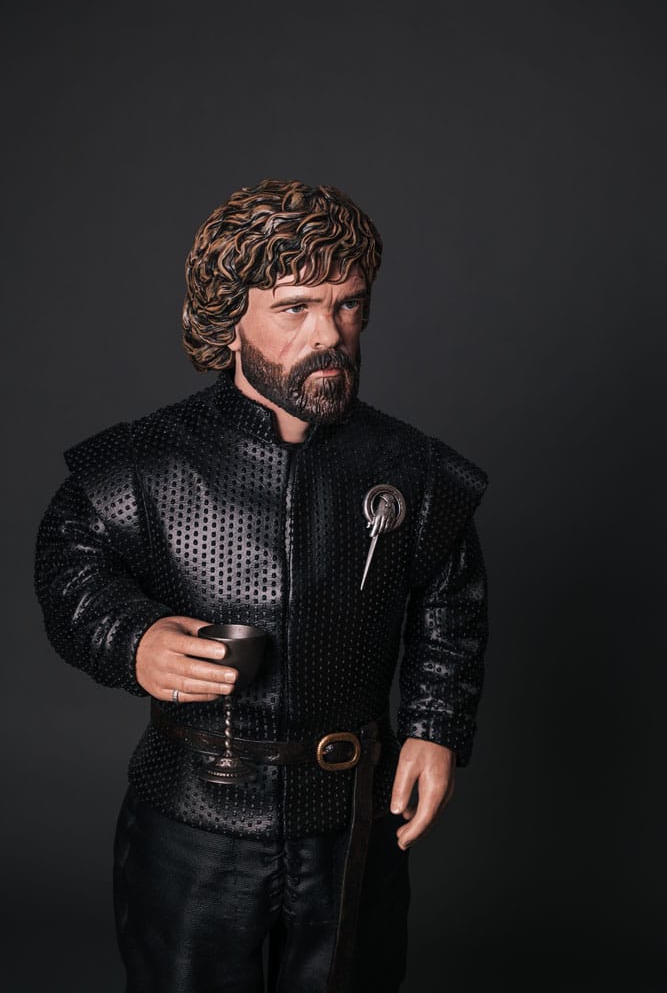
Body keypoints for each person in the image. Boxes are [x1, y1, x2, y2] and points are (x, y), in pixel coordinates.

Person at [33, 179, 489, 993]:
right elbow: (70, 562)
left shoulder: (413, 469)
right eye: (294, 308)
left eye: (348, 306)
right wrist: (132, 637)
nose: (329, 334)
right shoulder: (145, 460)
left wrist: (435, 728)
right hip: (192, 817)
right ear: (228, 317)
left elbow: (448, 603)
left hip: (350, 821)